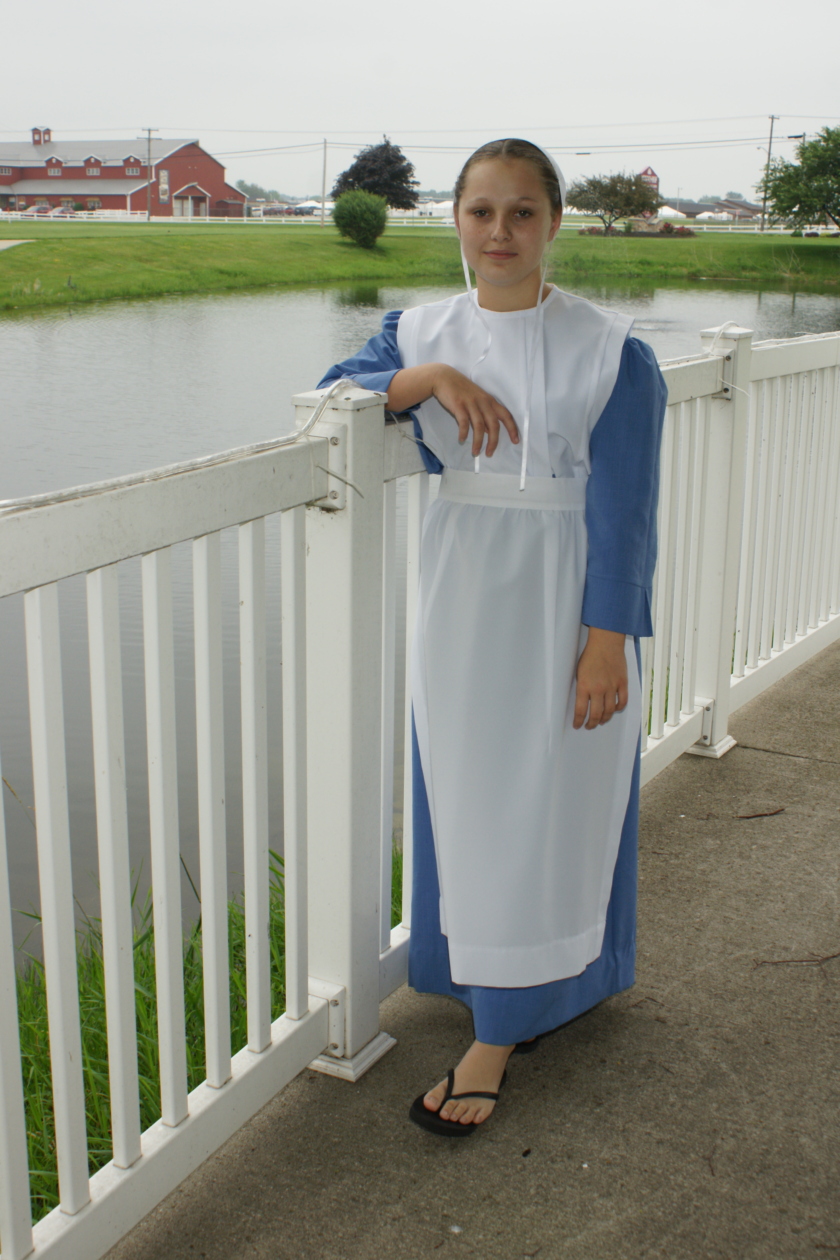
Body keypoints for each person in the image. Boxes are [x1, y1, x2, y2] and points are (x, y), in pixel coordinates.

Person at [317, 138, 667, 1137]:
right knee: (474, 799)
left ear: (553, 224)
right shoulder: (415, 329)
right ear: (457, 220)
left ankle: (501, 1033)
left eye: (522, 212)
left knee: (554, 799)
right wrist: (422, 378)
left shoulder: (610, 351)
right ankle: (499, 980)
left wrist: (608, 638)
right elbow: (329, 398)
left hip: (566, 601)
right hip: (464, 599)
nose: (500, 232)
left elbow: (627, 510)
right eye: (480, 211)